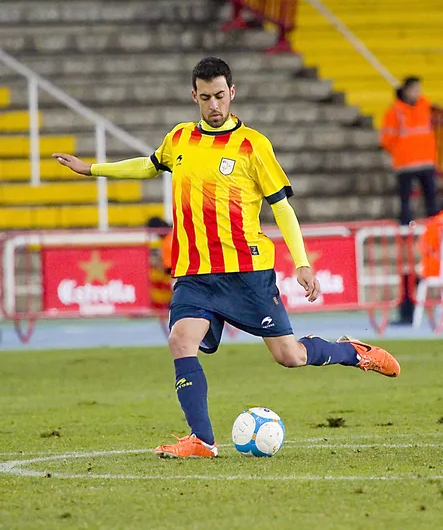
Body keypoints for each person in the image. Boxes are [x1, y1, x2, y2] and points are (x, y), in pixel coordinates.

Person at [53, 57, 400, 459]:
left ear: (232, 93)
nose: (214, 105)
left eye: (220, 96)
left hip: (247, 273)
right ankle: (201, 440)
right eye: (205, 98)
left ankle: (352, 352)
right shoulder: (180, 138)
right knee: (181, 340)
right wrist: (92, 169)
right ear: (194, 97)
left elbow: (282, 207)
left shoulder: (253, 145)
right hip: (195, 272)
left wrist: (302, 261)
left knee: (291, 356)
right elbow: (148, 167)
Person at [381, 76, 438, 227]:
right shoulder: (395, 111)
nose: (417, 93)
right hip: (405, 163)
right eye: (414, 89)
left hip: (426, 161)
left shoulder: (426, 107)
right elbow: (387, 139)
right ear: (405, 90)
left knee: (431, 198)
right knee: (405, 200)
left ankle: (435, 230)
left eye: (418, 89)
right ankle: (406, 228)